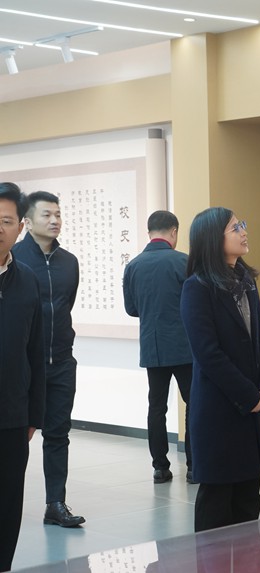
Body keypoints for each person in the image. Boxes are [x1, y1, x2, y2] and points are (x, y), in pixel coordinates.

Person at [180, 208, 260, 532]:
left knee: (248, 500)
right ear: (212, 239)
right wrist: (249, 396)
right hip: (220, 410)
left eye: (242, 225)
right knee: (217, 504)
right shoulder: (197, 288)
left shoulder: (247, 282)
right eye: (235, 228)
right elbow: (208, 354)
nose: (244, 232)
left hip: (252, 409)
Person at [12, 190, 85, 527]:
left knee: (58, 433)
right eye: (47, 215)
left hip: (61, 361)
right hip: (23, 366)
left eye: (58, 214)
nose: (55, 220)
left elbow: (65, 305)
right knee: (14, 438)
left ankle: (55, 503)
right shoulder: (14, 259)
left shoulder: (69, 261)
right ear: (27, 221)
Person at [123, 210, 194, 484]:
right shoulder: (184, 262)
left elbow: (131, 309)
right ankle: (194, 466)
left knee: (156, 407)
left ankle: (160, 468)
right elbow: (196, 304)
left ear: (149, 232)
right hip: (185, 346)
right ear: (174, 232)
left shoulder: (133, 266)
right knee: (193, 403)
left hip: (153, 347)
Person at [0, 183, 46, 572]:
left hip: (12, 417)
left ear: (20, 227)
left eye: (6, 220)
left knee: (8, 504)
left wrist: (35, 414)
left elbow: (37, 351)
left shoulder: (28, 279)